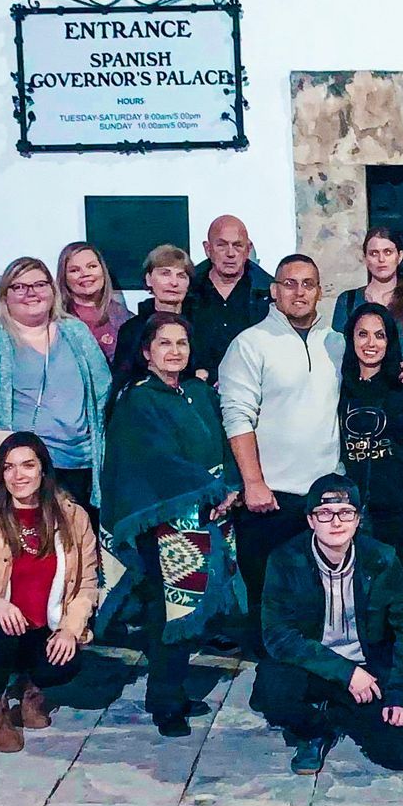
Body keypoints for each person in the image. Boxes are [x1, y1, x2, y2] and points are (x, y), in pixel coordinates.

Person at [100, 313, 242, 734]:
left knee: (195, 610)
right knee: (169, 611)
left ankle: (174, 689)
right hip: (164, 521)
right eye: (164, 343)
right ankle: (165, 702)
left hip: (208, 514)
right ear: (146, 352)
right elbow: (158, 461)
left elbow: (226, 441)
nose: (175, 351)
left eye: (181, 343)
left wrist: (231, 487)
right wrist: (211, 489)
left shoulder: (198, 392)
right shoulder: (138, 400)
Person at [254, 473, 403, 774]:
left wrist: (401, 693)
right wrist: (346, 673)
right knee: (271, 694)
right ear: (311, 520)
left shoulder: (381, 559)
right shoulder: (285, 560)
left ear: (358, 519)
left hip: (367, 667)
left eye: (345, 513)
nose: (336, 522)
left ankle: (341, 712)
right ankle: (316, 730)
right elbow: (278, 635)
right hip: (312, 664)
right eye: (325, 513)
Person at [0, 433, 98, 753]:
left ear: (43, 469)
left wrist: (70, 630)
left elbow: (87, 584)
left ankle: (31, 692)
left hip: (44, 628)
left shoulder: (73, 517)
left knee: (67, 660)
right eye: (8, 467)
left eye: (28, 465)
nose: (18, 475)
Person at [217, 254, 344, 627]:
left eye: (308, 284)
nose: (299, 292)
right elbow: (237, 416)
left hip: (324, 495)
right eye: (290, 283)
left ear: (319, 292)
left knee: (320, 604)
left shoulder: (337, 344)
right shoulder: (250, 343)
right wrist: (253, 482)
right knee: (269, 604)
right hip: (269, 498)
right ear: (274, 291)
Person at [0, 256, 111, 522]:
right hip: (21, 468)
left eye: (39, 285)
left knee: (77, 543)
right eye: (20, 287)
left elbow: (103, 394)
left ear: (52, 290)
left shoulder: (75, 332)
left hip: (79, 463)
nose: (31, 293)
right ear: (5, 295)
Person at [338, 302, 403, 585]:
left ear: (390, 341)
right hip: (347, 516)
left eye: (379, 335)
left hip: (399, 515)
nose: (370, 343)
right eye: (362, 334)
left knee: (400, 596)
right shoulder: (336, 388)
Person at [331, 225, 403, 380]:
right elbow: (338, 352)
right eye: (374, 253)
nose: (381, 260)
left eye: (388, 252)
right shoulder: (348, 301)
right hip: (360, 386)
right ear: (365, 258)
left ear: (400, 256)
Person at [187, 215, 274, 381]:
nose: (230, 253)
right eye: (221, 245)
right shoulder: (186, 289)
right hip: (195, 390)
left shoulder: (269, 293)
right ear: (207, 249)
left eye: (237, 245)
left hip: (254, 388)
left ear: (248, 249)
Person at [111, 243, 197, 382]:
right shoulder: (132, 330)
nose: (174, 283)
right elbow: (122, 380)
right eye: (165, 274)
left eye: (181, 275)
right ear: (149, 279)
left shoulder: (203, 323)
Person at [58, 241, 131, 367]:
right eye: (74, 270)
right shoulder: (56, 320)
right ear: (64, 277)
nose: (85, 274)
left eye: (92, 266)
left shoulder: (125, 318)